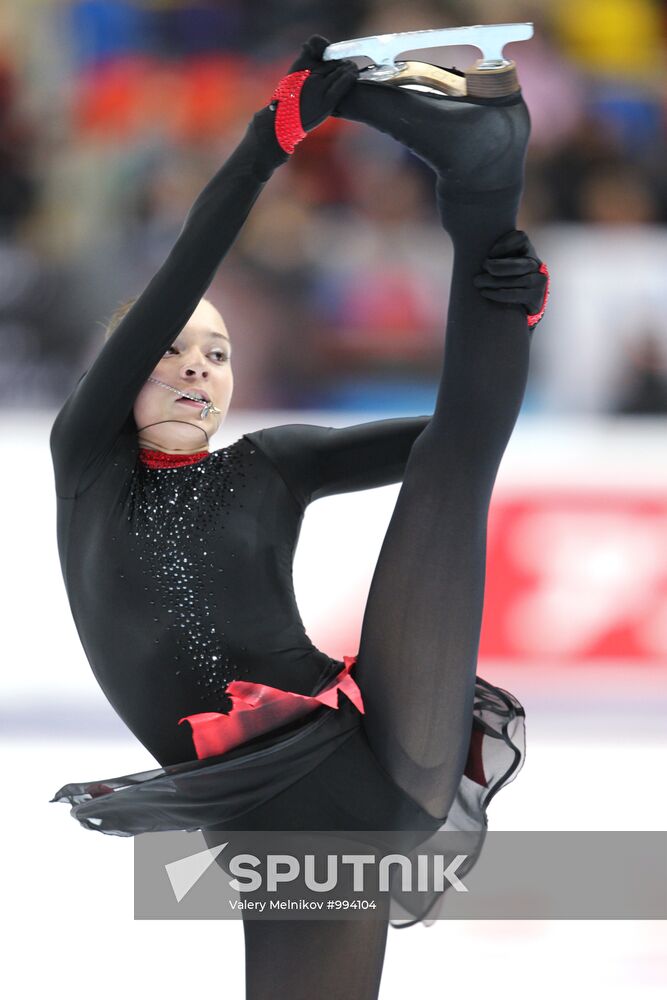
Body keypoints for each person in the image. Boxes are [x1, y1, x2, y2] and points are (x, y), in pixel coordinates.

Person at [50, 35, 549, 1000]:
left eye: (219, 356)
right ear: (119, 374)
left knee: (457, 455)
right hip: (289, 811)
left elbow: (463, 427)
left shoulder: (273, 465)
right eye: (172, 352)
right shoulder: (88, 467)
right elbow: (182, 269)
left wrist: (515, 317)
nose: (197, 367)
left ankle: (485, 176)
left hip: (378, 753)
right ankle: (485, 162)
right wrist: (267, 139)